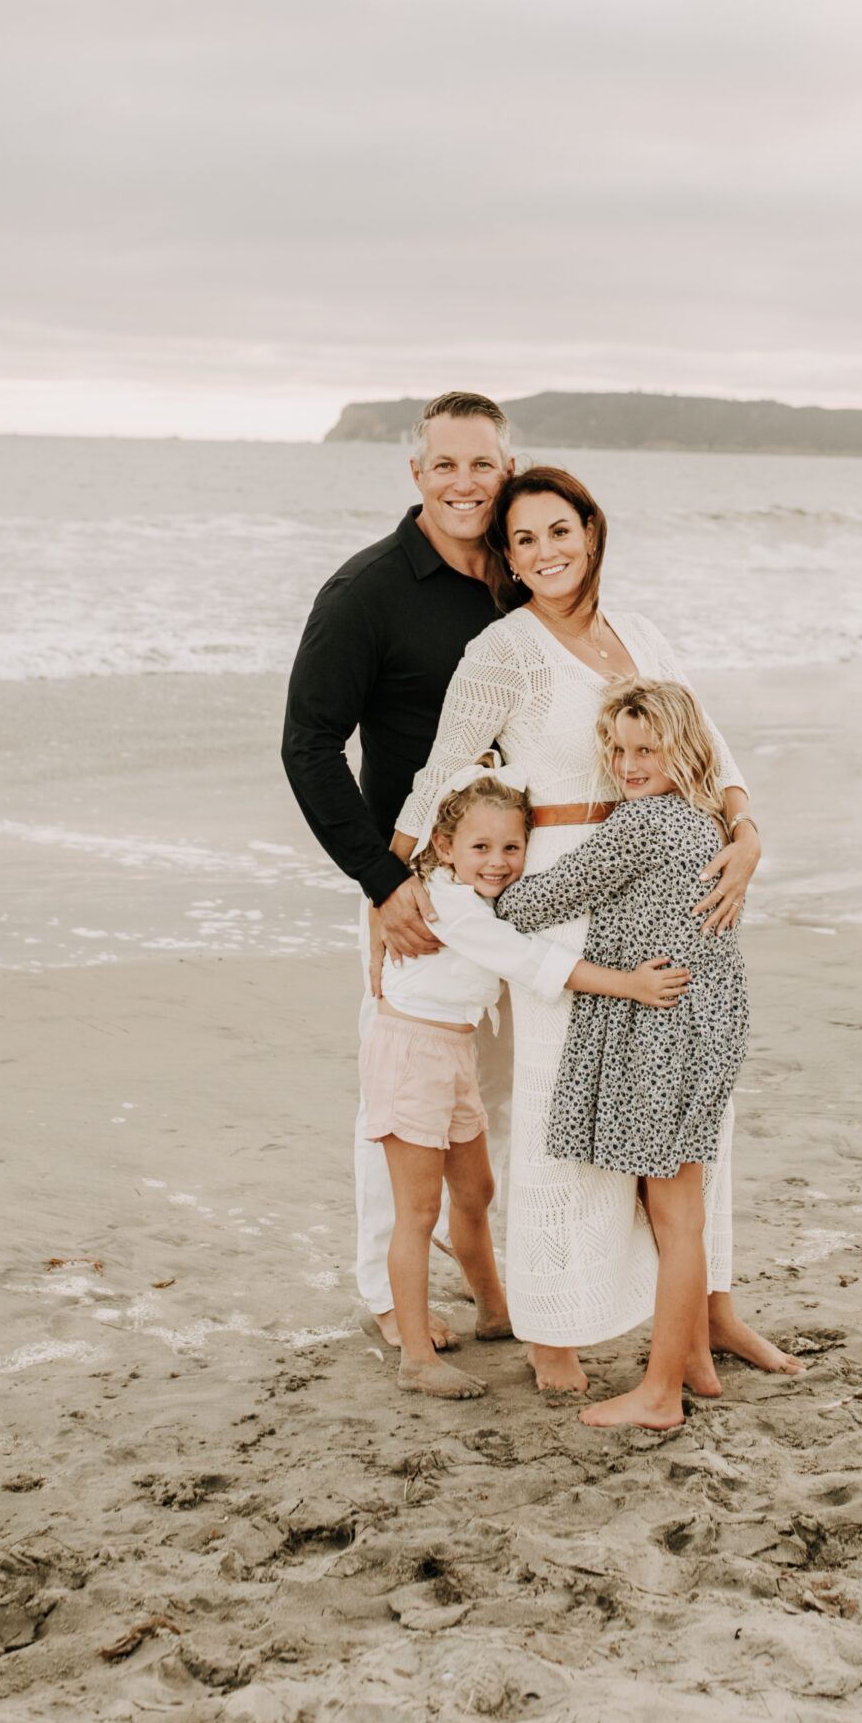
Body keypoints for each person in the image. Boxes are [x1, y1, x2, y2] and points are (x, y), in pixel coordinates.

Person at [394, 464, 797, 1392]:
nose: (545, 553)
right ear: (506, 555)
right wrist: (392, 881)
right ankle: (555, 1332)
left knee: (685, 1111)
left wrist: (745, 832)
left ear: (591, 530)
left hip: (666, 881)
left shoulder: (643, 632)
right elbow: (440, 769)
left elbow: (709, 742)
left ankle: (706, 1314)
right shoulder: (504, 649)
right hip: (564, 888)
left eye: (559, 531)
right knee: (561, 1109)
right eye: (523, 539)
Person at [281, 390, 518, 1345]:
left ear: (507, 469)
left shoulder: (525, 576)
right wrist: (382, 884)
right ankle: (390, 1299)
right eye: (446, 464)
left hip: (531, 885)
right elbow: (308, 746)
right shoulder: (366, 591)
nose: (466, 482)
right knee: (405, 1099)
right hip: (420, 889)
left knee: (498, 1097)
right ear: (416, 474)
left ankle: (505, 1279)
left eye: (483, 464)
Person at [367, 762, 692, 1400]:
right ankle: (415, 1356)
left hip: (451, 1052)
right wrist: (627, 983)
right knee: (418, 1209)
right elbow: (529, 960)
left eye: (511, 848)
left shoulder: (475, 894)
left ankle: (493, 1309)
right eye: (480, 848)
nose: (497, 863)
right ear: (444, 848)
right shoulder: (450, 905)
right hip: (410, 1055)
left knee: (476, 1188)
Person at [494, 681, 749, 1430]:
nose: (626, 763)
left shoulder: (644, 828)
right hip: (705, 1024)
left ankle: (660, 1393)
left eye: (646, 748)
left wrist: (473, 873)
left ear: (685, 749)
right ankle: (694, 1362)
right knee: (675, 1208)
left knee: (673, 1216)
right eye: (616, 747)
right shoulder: (705, 822)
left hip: (665, 1031)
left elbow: (533, 903)